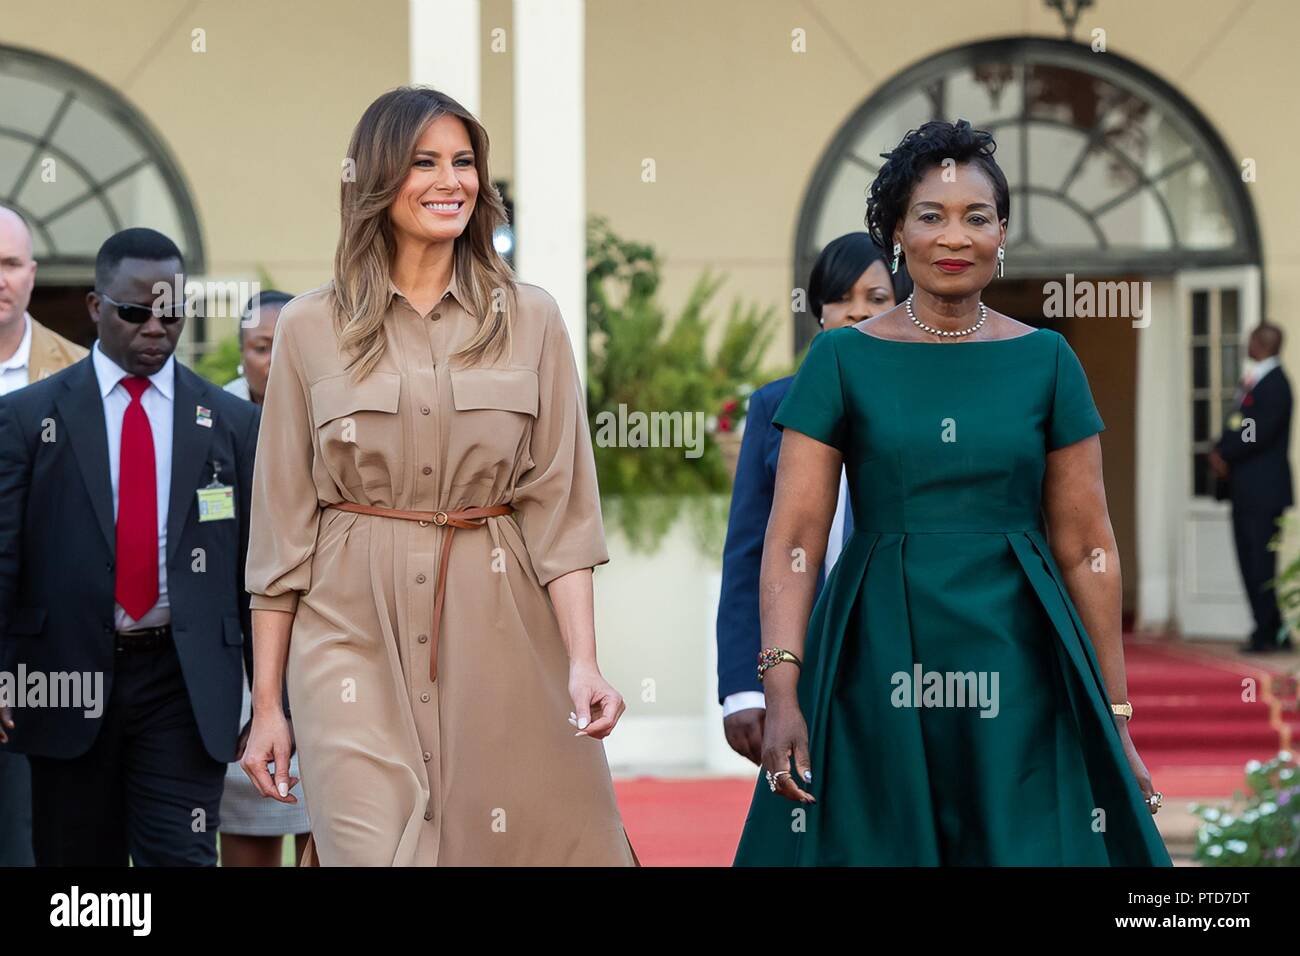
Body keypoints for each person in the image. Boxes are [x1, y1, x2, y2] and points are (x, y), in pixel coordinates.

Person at [733, 120, 1170, 865]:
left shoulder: (1049, 360)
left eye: (977, 217)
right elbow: (796, 537)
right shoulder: (841, 357)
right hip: (875, 649)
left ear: (1002, 233)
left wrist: (1116, 715)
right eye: (930, 215)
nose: (954, 235)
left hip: (1022, 650)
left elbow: (1088, 546)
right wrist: (781, 692)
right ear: (896, 233)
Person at [241, 86, 637, 866]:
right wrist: (266, 707)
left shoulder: (532, 319)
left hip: (502, 627)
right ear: (378, 180)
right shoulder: (310, 328)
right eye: (424, 162)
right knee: (367, 844)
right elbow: (281, 530)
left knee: (529, 840)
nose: (450, 180)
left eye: (464, 162)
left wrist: (584, 661)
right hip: (347, 634)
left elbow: (559, 511)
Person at [0, 227, 259, 865]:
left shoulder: (230, 423)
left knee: (183, 856)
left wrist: (270, 697)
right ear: (96, 308)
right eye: (135, 311)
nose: (155, 327)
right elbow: (4, 556)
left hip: (184, 679)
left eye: (170, 312)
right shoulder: (30, 419)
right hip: (64, 677)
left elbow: (256, 569)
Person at [717, 233, 906, 764]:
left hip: (901, 659)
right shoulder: (777, 405)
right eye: (840, 298)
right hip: (801, 659)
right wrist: (743, 687)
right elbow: (746, 555)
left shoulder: (924, 410)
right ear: (817, 311)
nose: (855, 313)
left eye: (876, 298)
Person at [0, 204, 88, 866]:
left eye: (8, 264)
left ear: (32, 274)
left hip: (43, 650)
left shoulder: (80, 375)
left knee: (33, 838)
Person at [217, 290, 312, 866]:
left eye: (285, 347)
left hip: (317, 653)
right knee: (247, 833)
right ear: (239, 353)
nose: (273, 361)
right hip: (235, 662)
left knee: (325, 822)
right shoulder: (213, 420)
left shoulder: (329, 418)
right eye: (259, 347)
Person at [1210, 323, 1294, 653]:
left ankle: (1266, 632)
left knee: (1260, 562)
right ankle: (1272, 627)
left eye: (1250, 339)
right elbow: (1240, 423)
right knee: (1250, 559)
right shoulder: (1258, 379)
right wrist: (1221, 446)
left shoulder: (1275, 384)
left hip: (1263, 490)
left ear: (1261, 343)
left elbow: (1254, 433)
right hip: (1247, 489)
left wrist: (1224, 453)